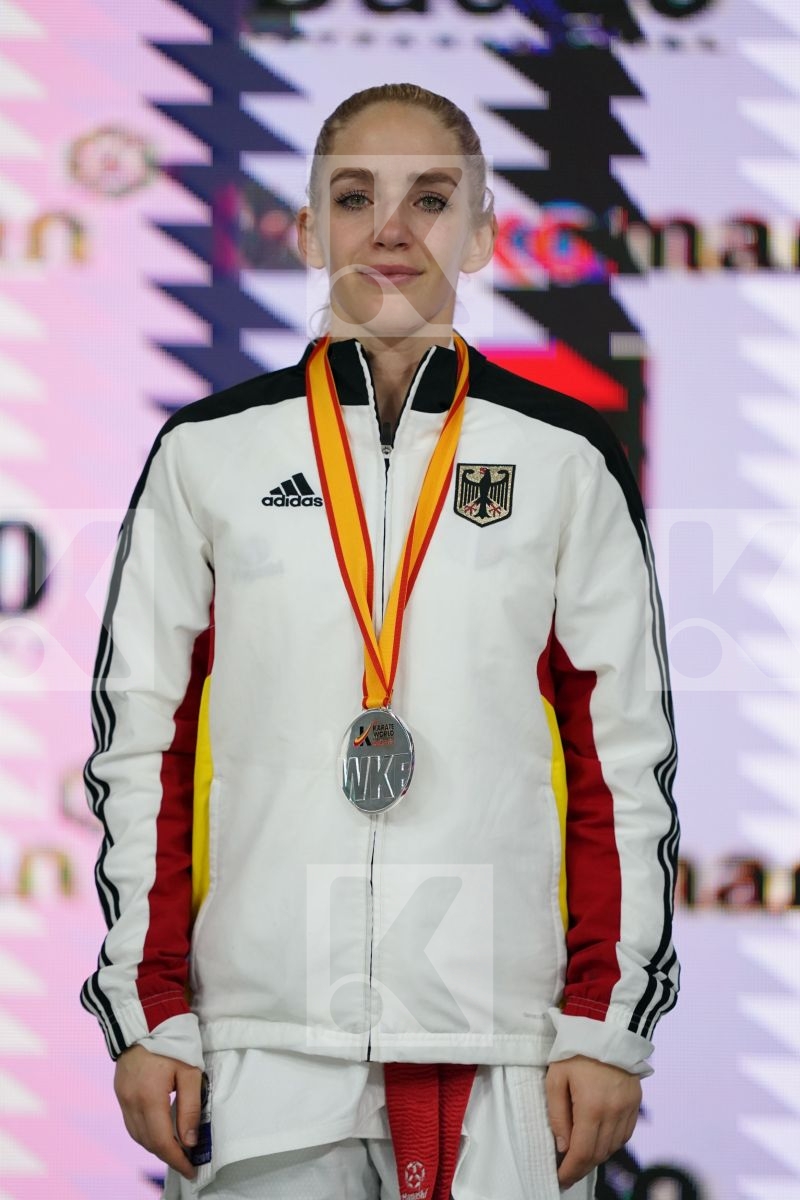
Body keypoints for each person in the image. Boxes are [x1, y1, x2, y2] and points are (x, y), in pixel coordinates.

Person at [81, 83, 679, 1200]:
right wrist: (148, 1007)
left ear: (484, 232)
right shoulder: (206, 452)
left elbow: (623, 764)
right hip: (261, 1039)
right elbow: (139, 748)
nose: (391, 228)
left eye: (431, 198)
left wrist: (602, 1025)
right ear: (307, 231)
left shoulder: (560, 457)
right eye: (354, 197)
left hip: (504, 1042)